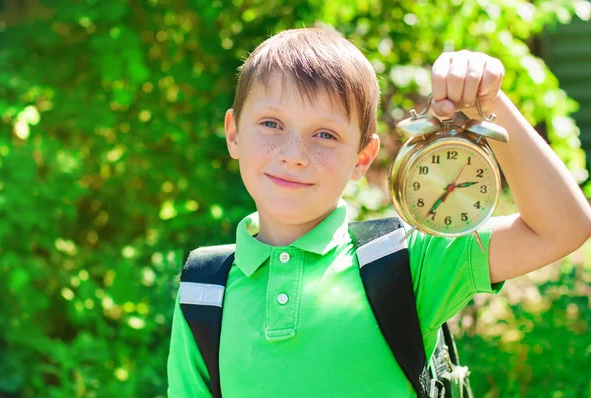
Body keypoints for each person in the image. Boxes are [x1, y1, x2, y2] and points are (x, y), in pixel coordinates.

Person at [167, 27, 591, 397]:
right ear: (234, 132)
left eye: (325, 134)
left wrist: (489, 105)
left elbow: (561, 229)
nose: (294, 155)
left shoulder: (405, 262)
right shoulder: (204, 290)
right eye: (272, 124)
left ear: (362, 157)